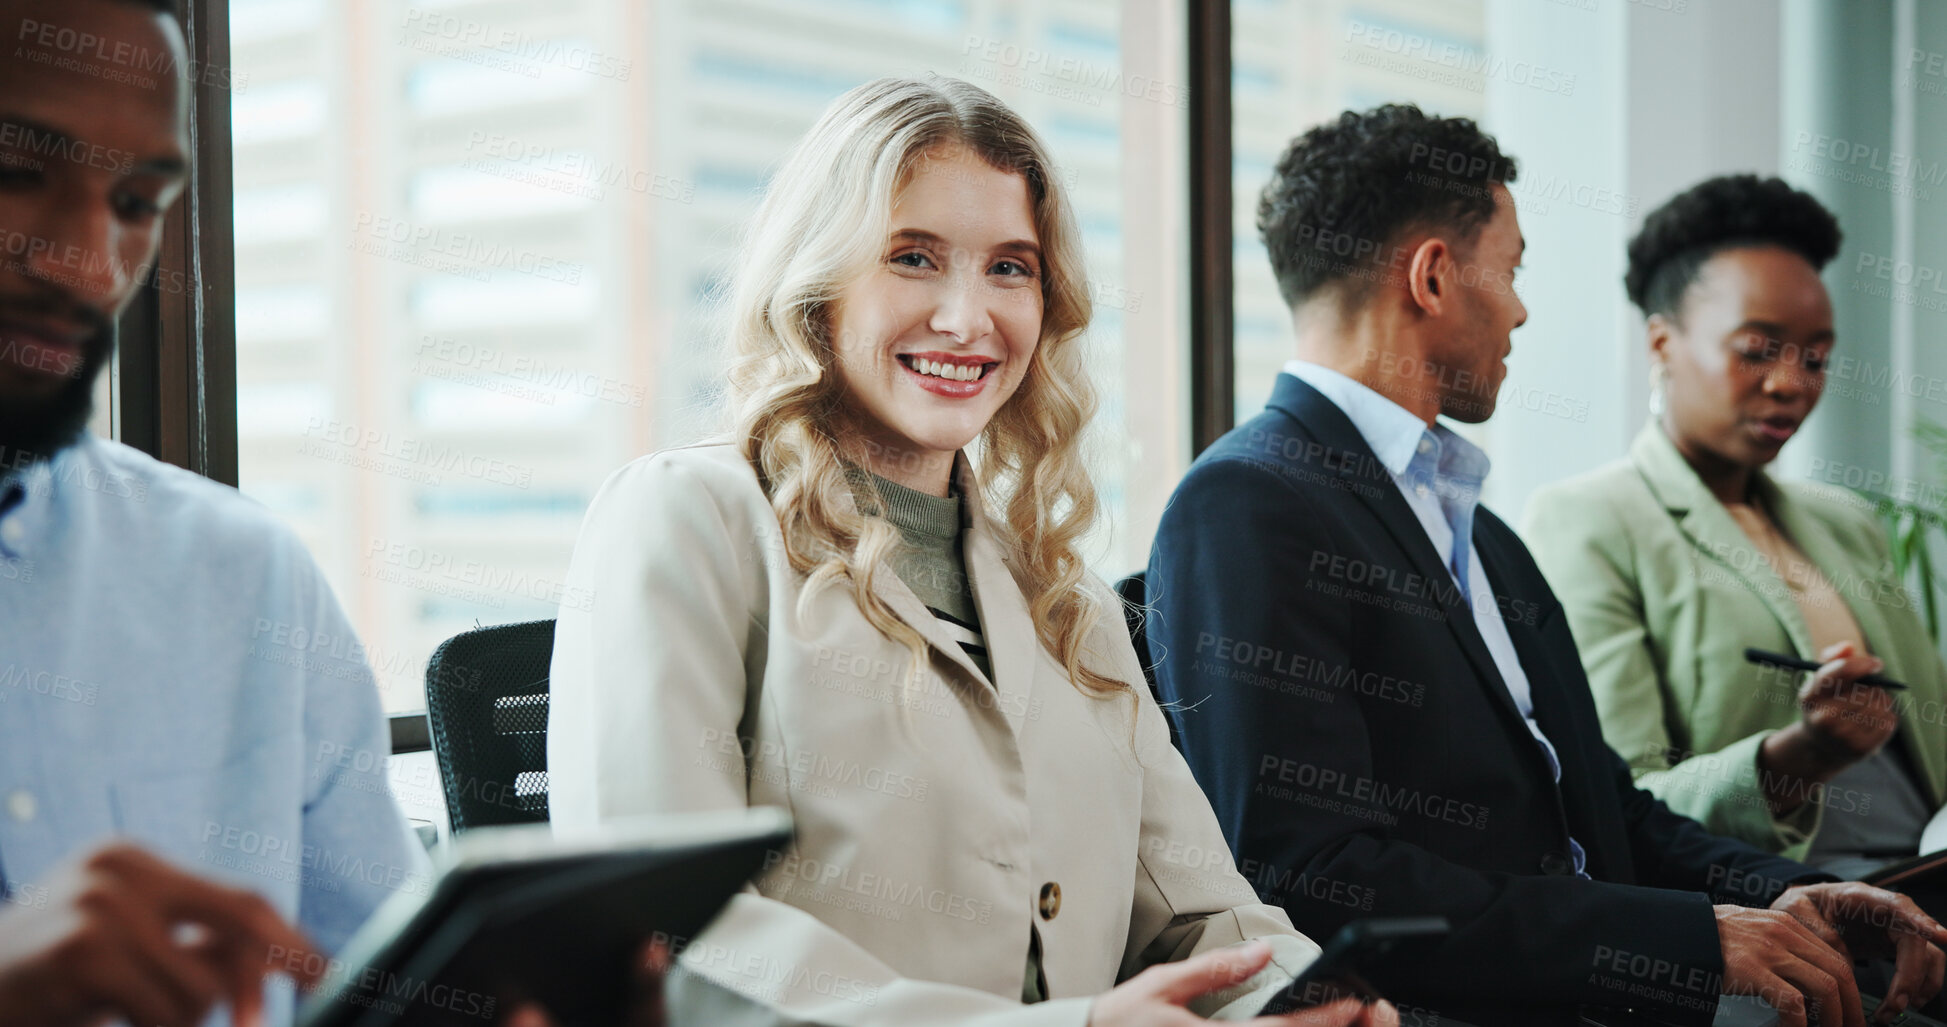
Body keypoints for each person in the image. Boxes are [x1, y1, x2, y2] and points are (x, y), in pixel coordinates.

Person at [547, 76, 1391, 1027]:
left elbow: (1200, 908)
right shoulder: (687, 518)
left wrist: (1293, 993)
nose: (966, 317)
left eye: (1010, 268)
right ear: (820, 284)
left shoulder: (1060, 590)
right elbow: (660, 935)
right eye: (912, 257)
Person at [1142, 105, 1947, 1027]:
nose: (1521, 308)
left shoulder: (1483, 537)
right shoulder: (1247, 503)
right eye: (1512, 268)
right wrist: (1688, 941)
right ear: (1434, 276)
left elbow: (1610, 813)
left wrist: (1790, 892)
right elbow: (1316, 873)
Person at [0, 1, 427, 1024]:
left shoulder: (248, 578)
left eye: (140, 200)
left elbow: (393, 985)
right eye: (15, 173)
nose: (90, 266)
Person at [1523, 175, 1947, 879]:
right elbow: (1614, 799)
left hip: (1927, 873)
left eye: (1815, 356)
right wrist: (1799, 756)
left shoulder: (1846, 523)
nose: (1791, 382)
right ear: (1660, 343)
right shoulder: (1590, 521)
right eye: (1757, 348)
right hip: (1784, 905)